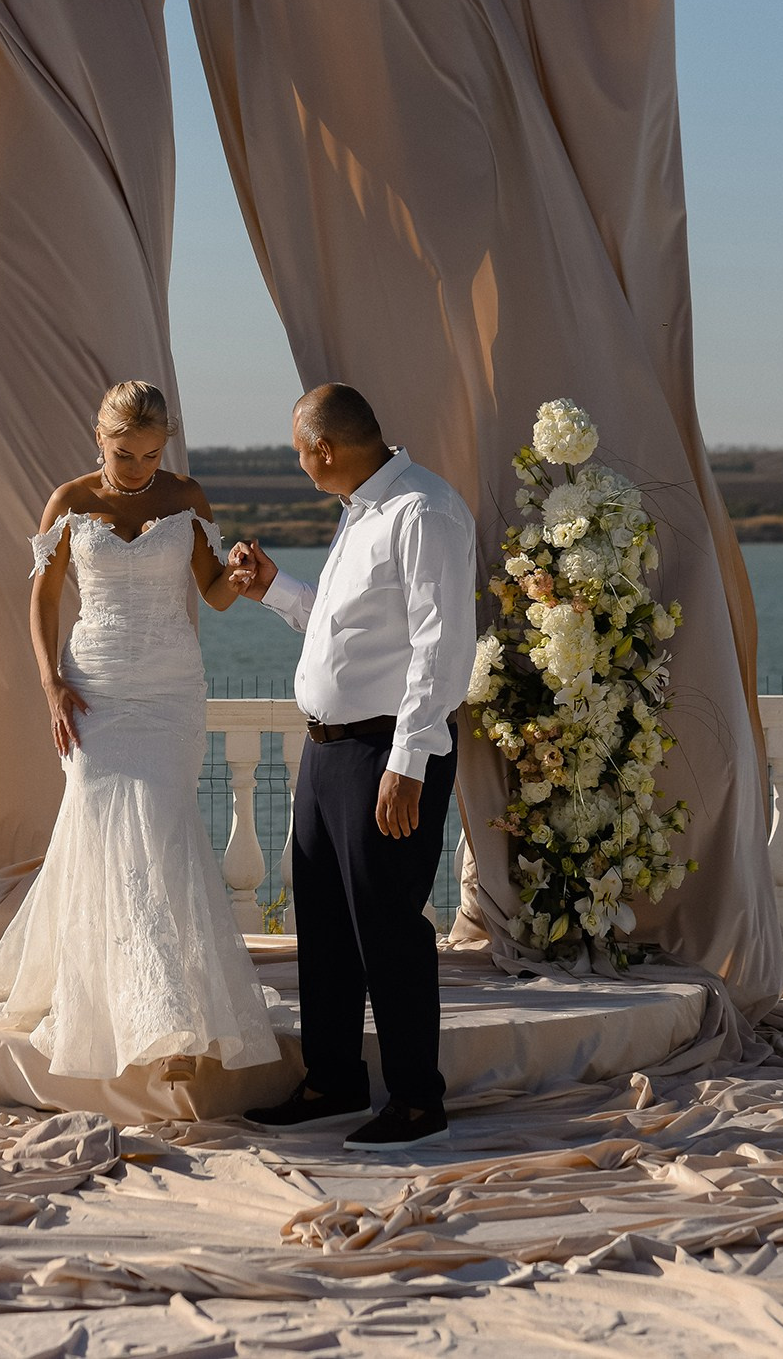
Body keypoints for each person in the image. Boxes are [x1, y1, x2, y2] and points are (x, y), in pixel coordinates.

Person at [0, 380, 279, 1084]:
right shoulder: (70, 503)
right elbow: (40, 596)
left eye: (152, 454)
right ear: (99, 440)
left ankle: (175, 1015)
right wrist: (50, 684)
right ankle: (124, 1003)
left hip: (169, 688)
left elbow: (213, 596)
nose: (139, 469)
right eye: (126, 454)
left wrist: (242, 577)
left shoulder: (185, 498)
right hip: (93, 686)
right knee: (101, 826)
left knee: (161, 829)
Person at [230, 384, 476, 1150]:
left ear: (325, 449)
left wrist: (406, 762)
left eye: (300, 451)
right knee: (326, 926)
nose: (299, 464)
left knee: (388, 928)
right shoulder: (361, 511)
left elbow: (443, 646)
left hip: (385, 751)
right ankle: (332, 1077)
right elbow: (345, 634)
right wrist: (275, 591)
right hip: (328, 750)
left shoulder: (422, 511)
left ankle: (414, 1099)